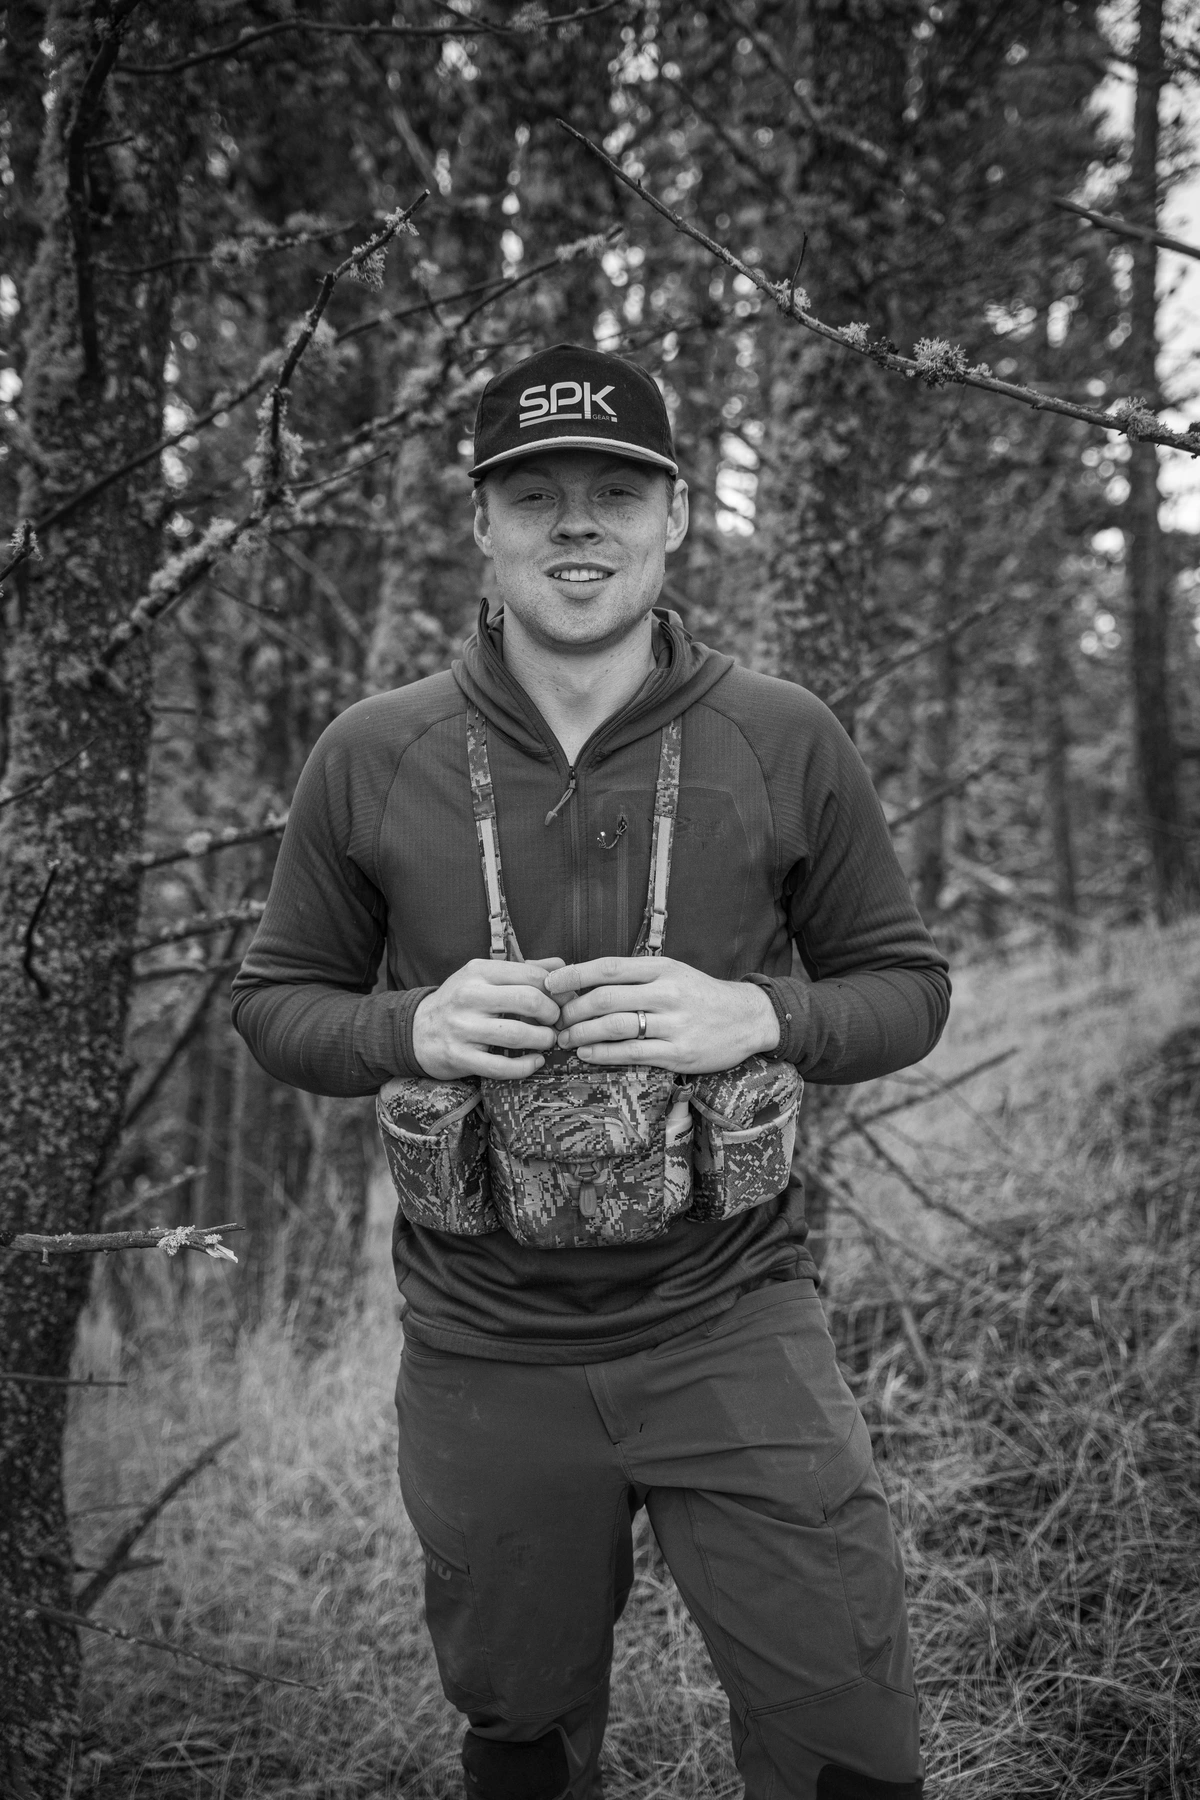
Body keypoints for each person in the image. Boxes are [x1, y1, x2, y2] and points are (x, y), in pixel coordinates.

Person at [231, 343, 951, 1800]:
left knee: (849, 1739)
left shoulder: (780, 736)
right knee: (519, 1730)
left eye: (614, 491)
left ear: (675, 514)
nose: (578, 525)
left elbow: (909, 990)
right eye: (538, 493)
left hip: (734, 1317)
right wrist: (406, 1030)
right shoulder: (374, 754)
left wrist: (760, 1016)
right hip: (484, 1344)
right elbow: (274, 1004)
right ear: (482, 525)